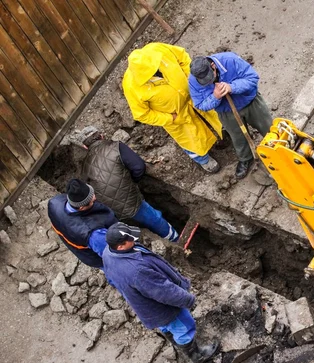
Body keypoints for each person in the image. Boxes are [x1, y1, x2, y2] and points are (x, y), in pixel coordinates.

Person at [102, 222, 219, 363]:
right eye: (130, 240)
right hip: (163, 308)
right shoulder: (137, 270)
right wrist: (188, 299)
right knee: (184, 326)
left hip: (148, 308)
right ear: (120, 246)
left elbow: (113, 278)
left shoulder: (108, 252)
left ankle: (175, 340)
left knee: (166, 326)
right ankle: (196, 355)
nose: (135, 240)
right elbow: (164, 291)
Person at [122, 42, 223, 173]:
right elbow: (141, 114)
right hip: (177, 115)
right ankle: (203, 160)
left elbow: (182, 57)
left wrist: (192, 80)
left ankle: (224, 133)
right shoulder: (131, 86)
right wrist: (169, 118)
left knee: (214, 114)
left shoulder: (157, 49)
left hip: (194, 95)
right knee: (190, 139)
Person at [188, 52, 274, 179]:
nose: (209, 82)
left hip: (251, 102)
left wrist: (232, 87)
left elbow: (252, 78)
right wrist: (215, 97)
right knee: (238, 137)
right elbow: (200, 105)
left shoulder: (230, 60)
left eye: (210, 77)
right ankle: (246, 158)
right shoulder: (194, 81)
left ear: (213, 66)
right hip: (227, 112)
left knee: (269, 128)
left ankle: (281, 148)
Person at [81, 132, 179, 242]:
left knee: (136, 220)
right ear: (102, 136)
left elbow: (89, 190)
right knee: (153, 218)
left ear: (85, 147)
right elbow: (139, 167)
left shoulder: (84, 165)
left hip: (111, 210)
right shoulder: (115, 147)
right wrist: (132, 182)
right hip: (129, 201)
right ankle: (175, 240)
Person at [48, 179, 118, 268]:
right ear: (81, 208)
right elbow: (113, 254)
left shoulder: (54, 203)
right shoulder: (93, 234)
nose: (95, 198)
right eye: (92, 201)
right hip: (99, 258)